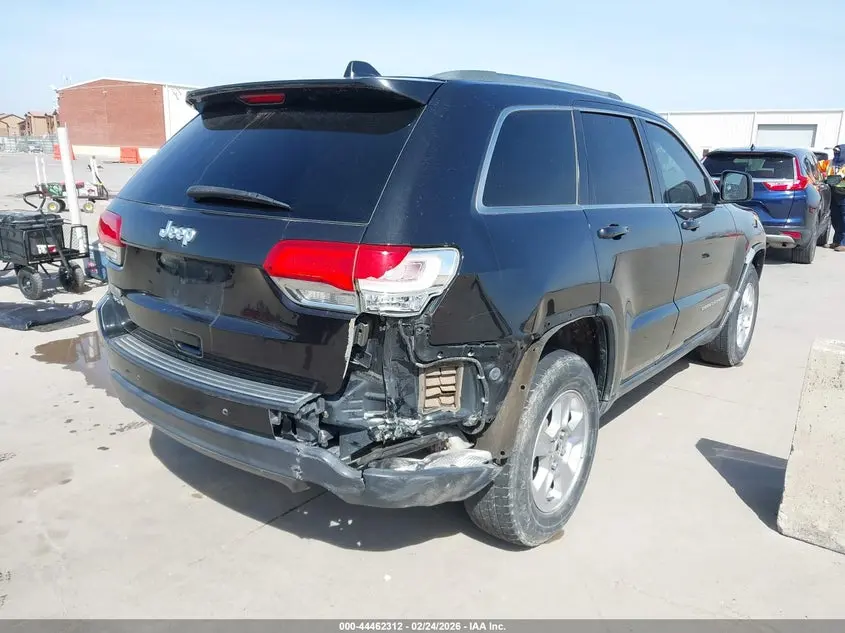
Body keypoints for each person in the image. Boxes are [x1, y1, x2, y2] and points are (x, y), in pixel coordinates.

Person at [827, 145, 845, 251]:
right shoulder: (831, 163)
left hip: (843, 194)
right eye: (835, 152)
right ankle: (836, 241)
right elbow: (820, 170)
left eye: (838, 152)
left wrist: (828, 180)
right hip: (833, 193)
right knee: (835, 218)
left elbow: (836, 179)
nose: (836, 154)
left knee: (844, 220)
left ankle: (843, 243)